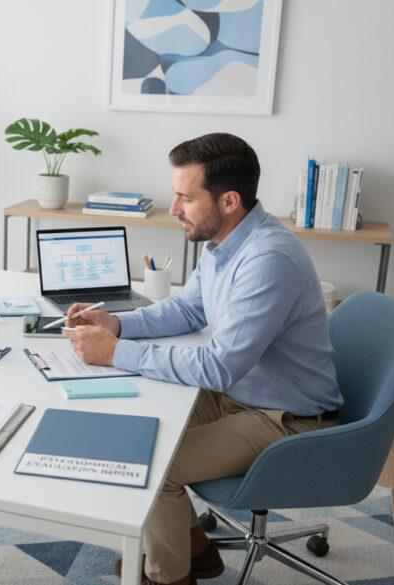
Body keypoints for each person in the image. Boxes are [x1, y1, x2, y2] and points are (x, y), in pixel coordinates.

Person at [63, 133, 342, 585]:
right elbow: (189, 307)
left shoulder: (268, 259)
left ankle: (169, 577)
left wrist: (116, 354)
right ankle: (195, 550)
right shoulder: (222, 243)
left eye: (185, 198)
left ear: (228, 200)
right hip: (240, 395)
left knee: (157, 467)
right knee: (134, 432)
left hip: (285, 417)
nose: (174, 208)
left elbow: (217, 366)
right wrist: (118, 324)